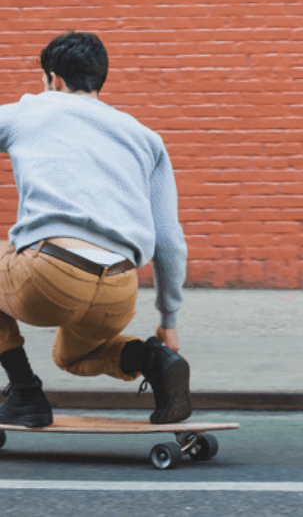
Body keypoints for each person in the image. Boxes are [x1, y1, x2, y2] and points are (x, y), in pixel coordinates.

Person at [0, 31, 192, 427]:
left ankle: (24, 393)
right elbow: (170, 242)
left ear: (54, 79)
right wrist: (168, 321)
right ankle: (153, 359)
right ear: (99, 80)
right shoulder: (144, 138)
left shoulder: (31, 110)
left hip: (49, 275)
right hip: (118, 289)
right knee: (72, 356)